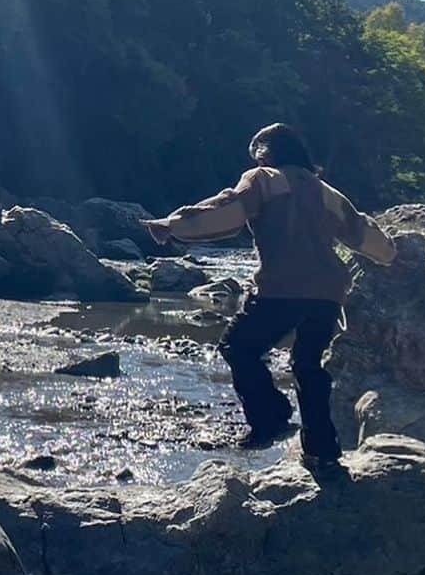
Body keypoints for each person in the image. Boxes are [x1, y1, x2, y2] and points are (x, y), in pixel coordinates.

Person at [142, 122, 396, 476]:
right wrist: (391, 253)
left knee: (238, 348)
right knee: (309, 366)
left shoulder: (263, 178)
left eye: (256, 150)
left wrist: (172, 225)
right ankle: (322, 450)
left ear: (266, 150)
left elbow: (228, 212)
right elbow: (361, 233)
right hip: (327, 293)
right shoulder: (326, 191)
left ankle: (272, 419)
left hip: (282, 287)